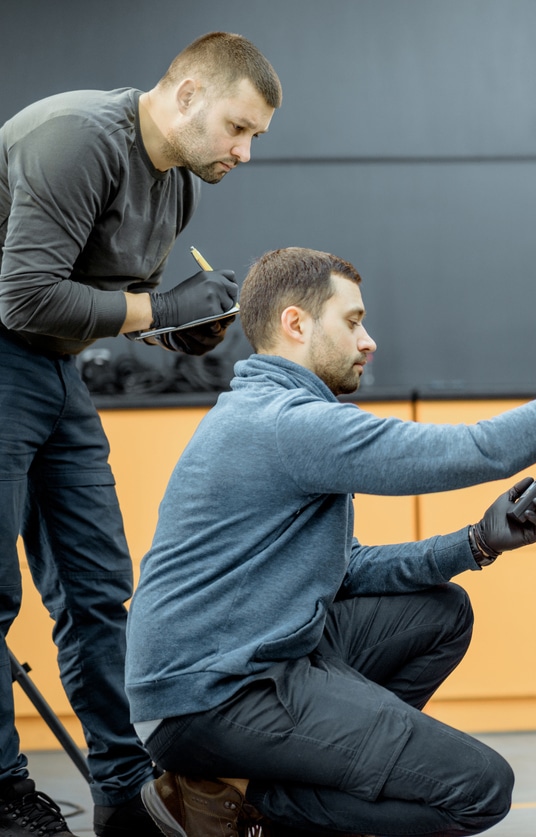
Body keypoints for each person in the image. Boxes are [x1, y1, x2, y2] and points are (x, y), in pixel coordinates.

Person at [123, 248, 536, 837]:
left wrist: (476, 543)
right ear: (296, 324)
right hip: (210, 697)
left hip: (254, 658)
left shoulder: (264, 412)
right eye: (353, 321)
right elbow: (480, 450)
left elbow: (343, 568)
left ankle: (314, 771)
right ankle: (238, 797)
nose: (369, 341)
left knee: (441, 613)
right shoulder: (289, 422)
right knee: (480, 789)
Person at [0, 32, 281, 836]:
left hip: (57, 371)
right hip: (5, 349)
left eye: (256, 135)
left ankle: (125, 792)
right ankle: (2, 790)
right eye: (238, 127)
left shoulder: (177, 188)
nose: (246, 151)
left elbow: (121, 305)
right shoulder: (79, 139)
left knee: (99, 590)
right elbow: (23, 298)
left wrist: (179, 330)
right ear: (187, 94)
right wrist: (158, 312)